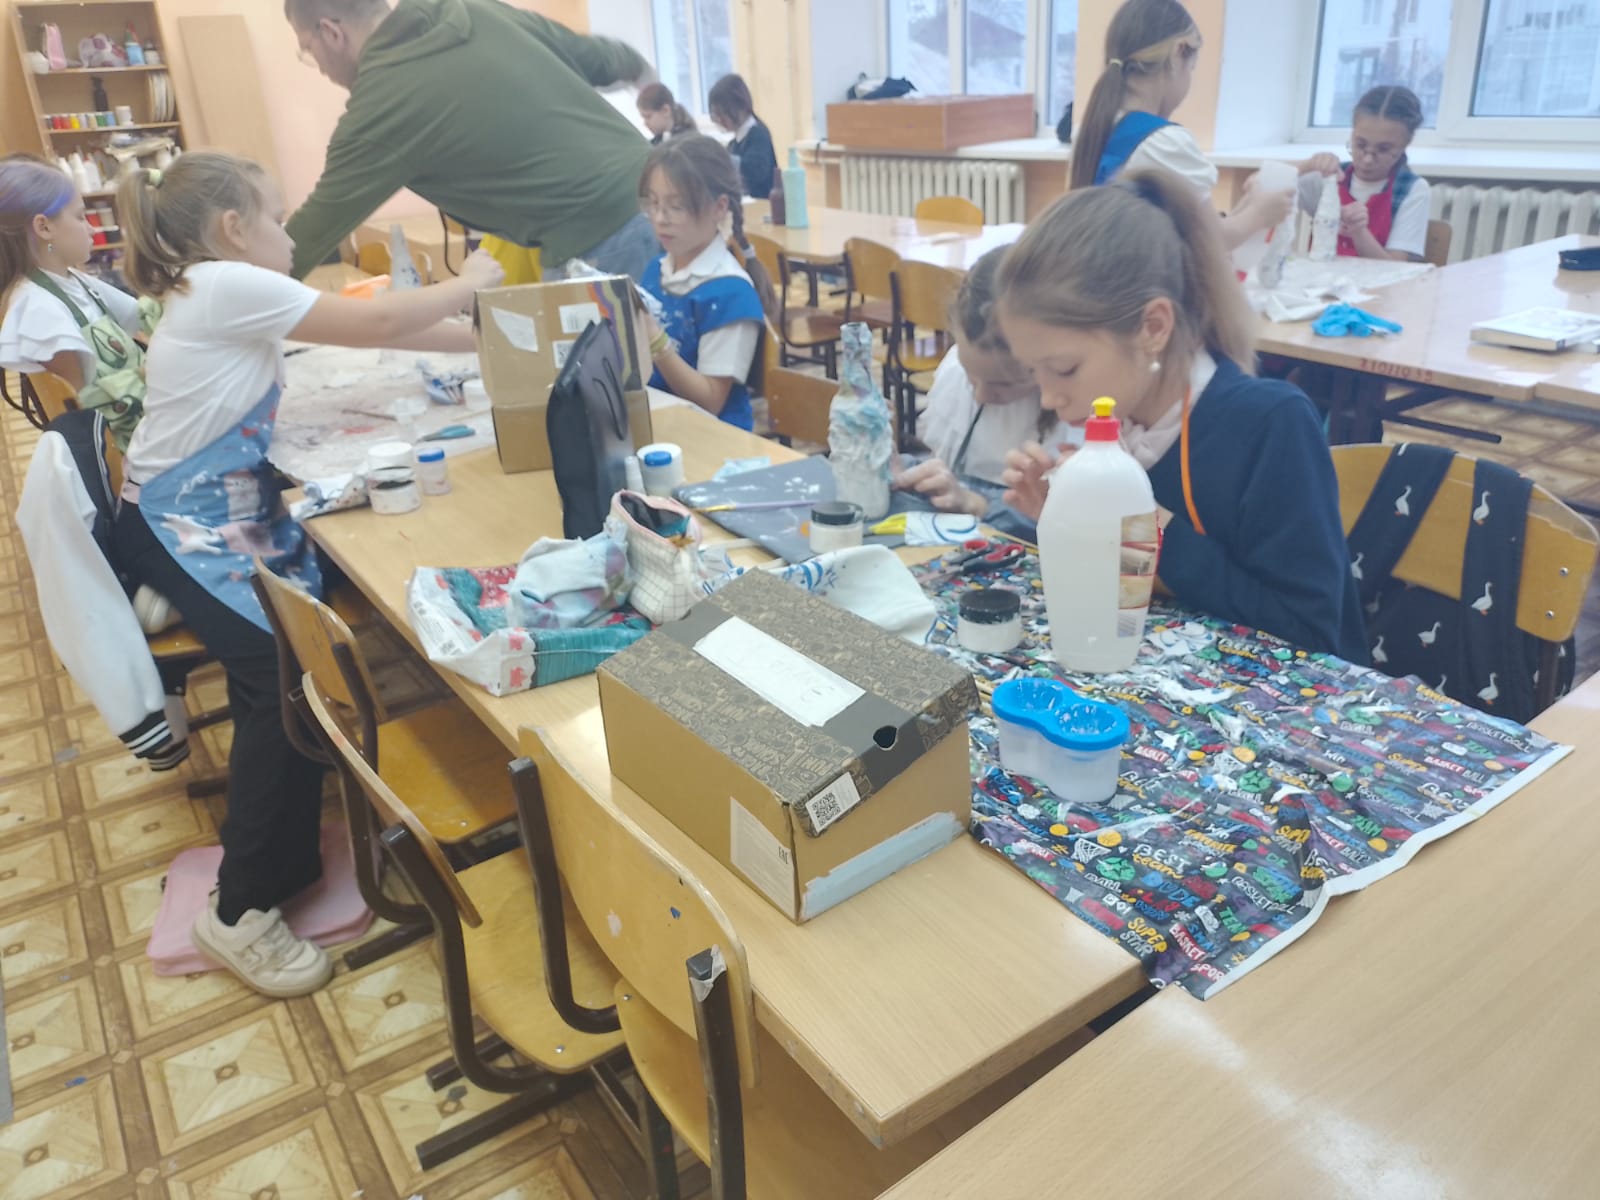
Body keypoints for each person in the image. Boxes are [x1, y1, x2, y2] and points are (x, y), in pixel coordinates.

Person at [113, 151, 504, 996]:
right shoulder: (225, 284)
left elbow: (388, 331)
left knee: (317, 598)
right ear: (233, 228)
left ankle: (177, 597)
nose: (291, 237)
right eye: (278, 218)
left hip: (202, 503)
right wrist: (470, 282)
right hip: (184, 518)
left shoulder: (212, 288)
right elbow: (381, 319)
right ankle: (239, 911)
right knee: (282, 673)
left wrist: (485, 342)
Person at [995, 168, 1367, 662]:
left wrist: (1144, 527)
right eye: (1034, 372)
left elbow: (1310, 634)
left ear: (1152, 328)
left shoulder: (1271, 425)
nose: (1047, 398)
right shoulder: (1117, 417)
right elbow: (1129, 596)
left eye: (1064, 369)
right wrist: (1065, 524)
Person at [282, 0, 658, 282]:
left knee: (611, 366)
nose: (318, 66)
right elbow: (597, 57)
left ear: (331, 33)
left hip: (599, 236)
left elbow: (308, 236)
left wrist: (248, 291)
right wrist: (651, 87)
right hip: (661, 195)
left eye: (307, 50)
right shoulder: (472, 10)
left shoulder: (380, 105)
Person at [1070, 0, 1337, 251]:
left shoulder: (1096, 127)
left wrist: (1249, 206)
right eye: (1192, 68)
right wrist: (1260, 214)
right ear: (1178, 54)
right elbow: (1212, 241)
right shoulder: (1164, 142)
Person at [892, 246, 1076, 541]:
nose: (980, 396)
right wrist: (905, 470)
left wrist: (976, 504)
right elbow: (944, 466)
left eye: (1003, 384)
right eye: (971, 377)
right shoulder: (955, 373)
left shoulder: (1076, 417)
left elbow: (1072, 533)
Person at [0, 155, 154, 449]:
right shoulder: (37, 307)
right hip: (128, 445)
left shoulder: (74, 281)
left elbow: (140, 317)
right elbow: (86, 406)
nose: (92, 229)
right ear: (44, 228)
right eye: (81, 217)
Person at [636, 135, 776, 431]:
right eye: (653, 203)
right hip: (662, 424)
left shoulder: (729, 294)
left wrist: (654, 339)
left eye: (676, 206)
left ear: (719, 208)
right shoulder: (657, 269)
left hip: (713, 438)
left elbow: (711, 401)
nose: (660, 218)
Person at [1297, 85, 1431, 262]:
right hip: (1321, 278)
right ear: (1352, 134)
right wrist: (1305, 166)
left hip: (1380, 280)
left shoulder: (1412, 190)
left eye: (1383, 149)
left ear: (1405, 145)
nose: (1367, 159)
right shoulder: (1329, 177)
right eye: (1360, 145)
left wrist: (1359, 232)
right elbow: (1264, 187)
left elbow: (1396, 267)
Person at [709, 74, 777, 199]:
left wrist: (721, 157)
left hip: (762, 204)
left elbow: (756, 171)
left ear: (741, 107)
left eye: (724, 113)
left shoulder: (758, 135)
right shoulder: (733, 144)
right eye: (716, 116)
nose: (721, 120)